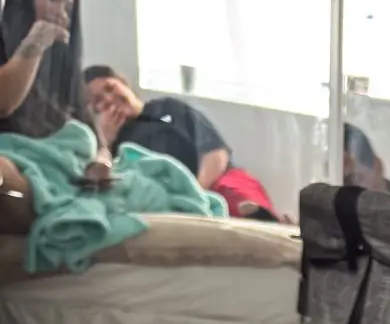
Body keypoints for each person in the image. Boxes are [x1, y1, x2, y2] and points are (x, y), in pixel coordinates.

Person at [83, 64, 284, 220]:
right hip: (164, 200)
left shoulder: (168, 107)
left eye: (110, 88)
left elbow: (215, 153)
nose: (108, 99)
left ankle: (270, 223)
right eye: (98, 100)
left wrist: (197, 193)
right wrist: (105, 141)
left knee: (236, 193)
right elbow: (104, 181)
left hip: (212, 182)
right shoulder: (108, 144)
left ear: (124, 83)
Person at [0, 0, 108, 232]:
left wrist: (100, 163)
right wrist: (33, 46)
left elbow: (100, 142)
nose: (61, 12)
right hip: (19, 175)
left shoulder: (64, 81)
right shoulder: (22, 56)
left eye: (68, 9)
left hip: (73, 181)